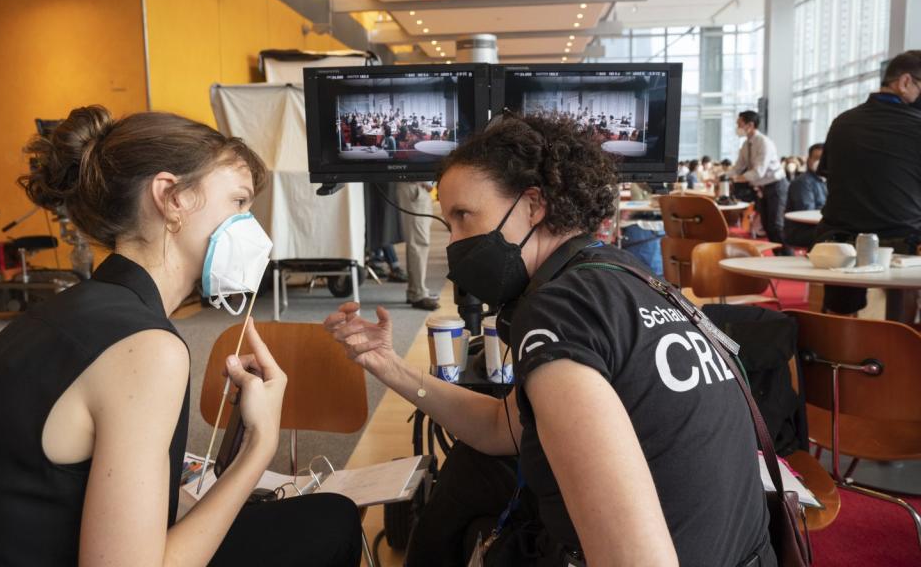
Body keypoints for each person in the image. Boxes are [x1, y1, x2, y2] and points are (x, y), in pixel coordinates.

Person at [324, 115, 774, 567]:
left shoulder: (557, 313)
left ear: (533, 206)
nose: (456, 242)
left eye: (463, 217)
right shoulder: (627, 274)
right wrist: (388, 365)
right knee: (474, 464)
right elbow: (503, 429)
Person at [0, 106, 361, 566]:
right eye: (238, 202)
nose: (251, 226)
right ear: (172, 198)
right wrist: (259, 448)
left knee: (319, 518)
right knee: (332, 522)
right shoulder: (148, 347)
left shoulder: (65, 310)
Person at [815, 50, 921, 316]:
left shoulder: (841, 122)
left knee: (841, 318)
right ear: (905, 82)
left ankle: (839, 341)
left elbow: (831, 180)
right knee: (901, 323)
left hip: (839, 245)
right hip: (905, 247)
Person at [728, 110, 789, 251]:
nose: (737, 127)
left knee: (776, 225)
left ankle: (788, 256)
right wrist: (724, 176)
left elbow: (758, 172)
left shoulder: (763, 142)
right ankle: (778, 257)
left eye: (739, 124)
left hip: (776, 186)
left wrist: (735, 179)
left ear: (750, 124)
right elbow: (738, 167)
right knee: (767, 226)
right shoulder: (745, 145)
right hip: (762, 188)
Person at [397, 181, 440, 310]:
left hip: (418, 185)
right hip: (414, 184)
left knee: (417, 240)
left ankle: (415, 290)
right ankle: (418, 293)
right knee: (419, 241)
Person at [784, 143, 826, 251]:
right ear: (808, 160)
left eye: (823, 159)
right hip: (801, 230)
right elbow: (807, 213)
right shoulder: (803, 182)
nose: (820, 162)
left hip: (818, 227)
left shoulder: (824, 180)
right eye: (816, 158)